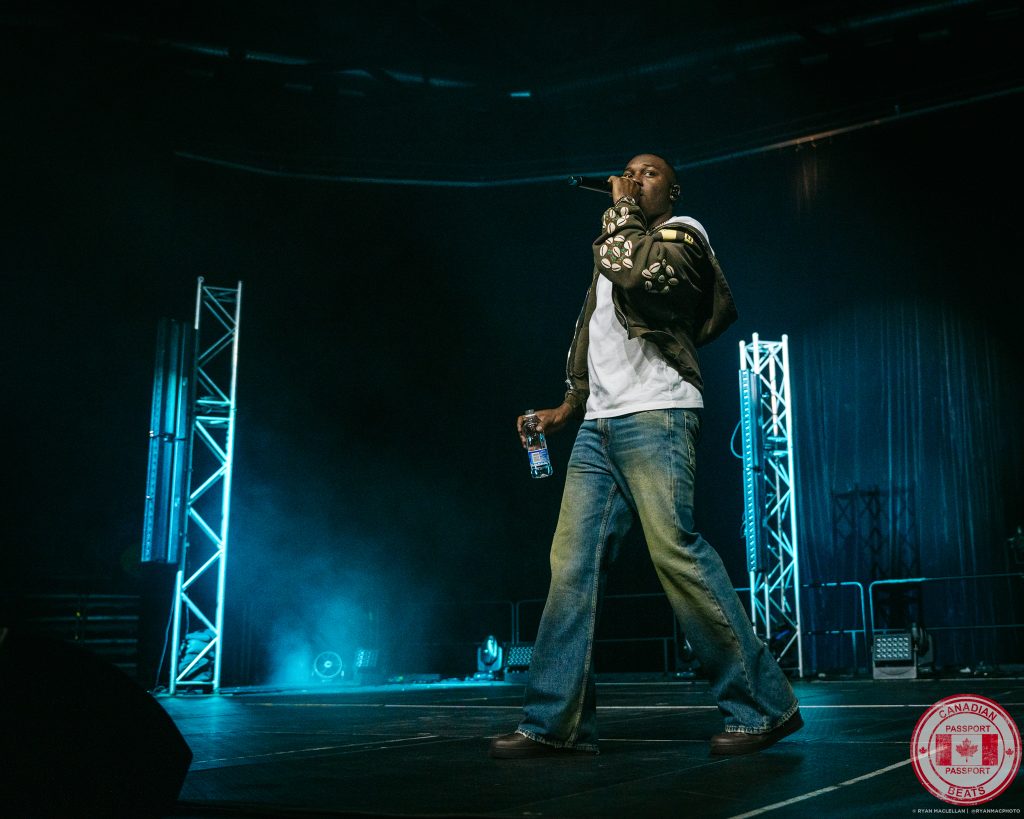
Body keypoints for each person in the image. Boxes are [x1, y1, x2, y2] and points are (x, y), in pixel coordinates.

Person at [490, 153, 802, 758]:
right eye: (628, 171)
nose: (634, 178)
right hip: (598, 428)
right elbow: (595, 341)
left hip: (658, 413)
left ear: (673, 191)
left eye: (649, 172)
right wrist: (567, 408)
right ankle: (555, 724)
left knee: (675, 553)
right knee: (570, 567)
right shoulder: (616, 250)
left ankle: (764, 707)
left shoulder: (683, 234)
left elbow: (638, 276)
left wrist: (621, 211)